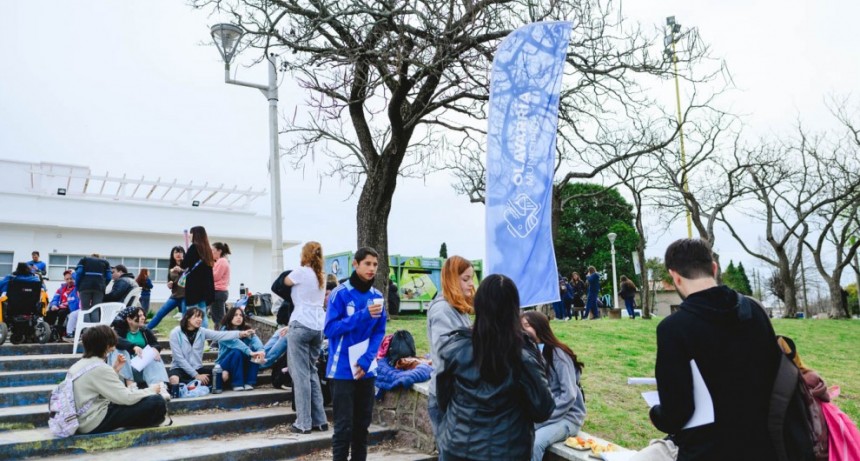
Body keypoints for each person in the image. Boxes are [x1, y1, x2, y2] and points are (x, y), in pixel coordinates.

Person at [630, 239, 780, 461]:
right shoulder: (756, 311)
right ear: (714, 268)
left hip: (706, 451)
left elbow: (676, 415)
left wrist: (656, 414)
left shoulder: (674, 328)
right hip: (767, 448)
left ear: (675, 276)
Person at [435, 274, 554, 461]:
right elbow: (543, 408)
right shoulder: (522, 355)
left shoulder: (455, 348)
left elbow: (442, 399)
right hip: (505, 451)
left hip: (456, 447)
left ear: (480, 305)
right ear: (514, 309)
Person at [324, 247, 388, 460]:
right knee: (344, 428)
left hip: (366, 369)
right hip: (342, 370)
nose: (372, 268)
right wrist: (362, 315)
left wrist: (368, 358)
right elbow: (330, 329)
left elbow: (379, 331)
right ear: (355, 264)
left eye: (375, 264)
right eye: (367, 263)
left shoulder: (377, 296)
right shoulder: (340, 294)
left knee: (362, 428)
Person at [68, 325, 167, 434]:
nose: (114, 347)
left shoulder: (77, 365)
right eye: (112, 343)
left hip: (83, 419)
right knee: (156, 401)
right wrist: (151, 390)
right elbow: (126, 398)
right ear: (105, 345)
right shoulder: (100, 368)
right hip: (93, 421)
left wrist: (114, 369)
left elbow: (98, 387)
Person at [521, 311, 586, 461]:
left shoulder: (558, 353)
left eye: (526, 325)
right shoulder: (527, 353)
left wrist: (543, 418)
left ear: (540, 327)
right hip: (542, 416)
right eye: (520, 326)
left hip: (568, 418)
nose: (522, 330)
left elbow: (569, 395)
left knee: (535, 443)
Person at [426, 255, 475, 439]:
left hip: (455, 394)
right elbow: (446, 352)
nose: (471, 284)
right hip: (445, 398)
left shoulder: (457, 308)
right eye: (465, 279)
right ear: (452, 280)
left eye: (472, 278)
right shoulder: (443, 309)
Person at [284, 241, 328, 434]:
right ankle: (320, 420)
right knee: (311, 372)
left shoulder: (301, 272)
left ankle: (303, 422)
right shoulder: (322, 276)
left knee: (300, 374)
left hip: (300, 322)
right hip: (318, 325)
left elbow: (284, 282)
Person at [167, 307, 252, 393]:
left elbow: (220, 335)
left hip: (197, 368)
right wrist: (196, 375)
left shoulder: (202, 331)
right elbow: (179, 359)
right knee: (174, 380)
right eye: (196, 317)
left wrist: (240, 333)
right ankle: (196, 385)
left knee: (223, 375)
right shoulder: (176, 333)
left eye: (201, 317)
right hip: (179, 368)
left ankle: (192, 386)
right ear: (188, 318)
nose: (199, 319)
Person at [108, 306, 169, 391]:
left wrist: (155, 349)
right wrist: (133, 347)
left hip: (141, 369)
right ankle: (131, 385)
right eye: (139, 316)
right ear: (129, 319)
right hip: (123, 371)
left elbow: (155, 344)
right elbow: (116, 340)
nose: (143, 317)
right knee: (119, 351)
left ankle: (159, 386)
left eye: (143, 315)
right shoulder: (119, 331)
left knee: (153, 353)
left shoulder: (144, 330)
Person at [174, 226, 215, 327]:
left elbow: (185, 264)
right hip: (205, 287)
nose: (189, 235)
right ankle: (203, 336)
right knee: (202, 315)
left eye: (191, 233)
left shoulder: (193, 247)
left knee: (192, 314)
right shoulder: (207, 250)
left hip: (194, 287)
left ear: (195, 234)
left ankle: (194, 337)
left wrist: (182, 258)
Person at [216, 307, 265, 391]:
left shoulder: (246, 329)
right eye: (235, 315)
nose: (239, 317)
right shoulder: (224, 331)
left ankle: (249, 382)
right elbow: (236, 343)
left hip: (241, 363)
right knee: (237, 351)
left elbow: (255, 341)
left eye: (241, 315)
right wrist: (250, 352)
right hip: (225, 363)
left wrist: (261, 351)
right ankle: (237, 383)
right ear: (229, 317)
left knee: (256, 351)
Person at [147, 246, 186, 330]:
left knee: (186, 319)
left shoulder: (187, 264)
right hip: (175, 296)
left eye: (180, 252)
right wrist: (169, 284)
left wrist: (181, 271)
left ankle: (187, 338)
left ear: (184, 254)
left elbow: (191, 276)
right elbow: (170, 280)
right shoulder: (171, 267)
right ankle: (145, 331)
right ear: (172, 255)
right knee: (160, 314)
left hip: (185, 296)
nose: (178, 254)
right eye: (176, 252)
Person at [48, 270, 79, 341]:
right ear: (64, 279)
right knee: (49, 313)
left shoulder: (77, 287)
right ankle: (50, 331)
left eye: (71, 278)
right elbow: (55, 298)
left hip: (72, 307)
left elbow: (78, 280)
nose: (69, 281)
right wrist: (54, 305)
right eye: (67, 279)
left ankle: (61, 333)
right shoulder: (61, 289)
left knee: (62, 313)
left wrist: (74, 273)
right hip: (61, 306)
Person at [211, 242, 231, 329]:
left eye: (213, 250)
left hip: (219, 292)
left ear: (219, 251)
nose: (211, 252)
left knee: (219, 319)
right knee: (217, 319)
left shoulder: (222, 261)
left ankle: (220, 339)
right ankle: (218, 339)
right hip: (219, 292)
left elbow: (215, 277)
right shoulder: (220, 261)